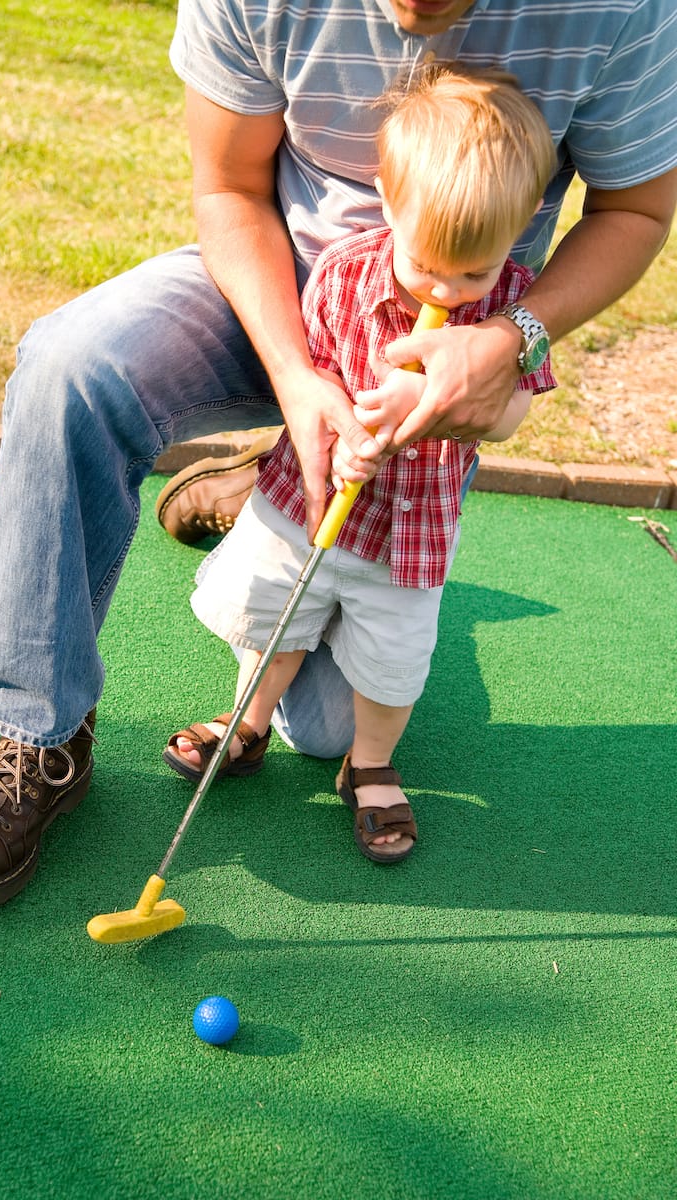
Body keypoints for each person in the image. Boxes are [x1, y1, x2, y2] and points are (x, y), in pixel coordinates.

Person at [0, 1, 677, 910]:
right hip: (281, 290)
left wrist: (513, 338)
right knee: (70, 367)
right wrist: (297, 375)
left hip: (463, 355)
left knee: (324, 734)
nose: (414, 12)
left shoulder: (623, 10)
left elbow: (637, 207)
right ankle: (38, 732)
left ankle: (268, 489)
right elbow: (229, 188)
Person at [161, 64, 557, 863]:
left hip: (407, 537)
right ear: (389, 203)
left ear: (514, 238)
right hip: (311, 502)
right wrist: (352, 422)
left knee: (391, 663)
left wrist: (478, 405)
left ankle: (369, 764)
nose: (444, 289)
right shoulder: (347, 273)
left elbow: (516, 411)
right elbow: (310, 378)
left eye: (471, 273)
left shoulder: (512, 305)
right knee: (274, 623)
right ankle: (245, 724)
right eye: (427, 264)